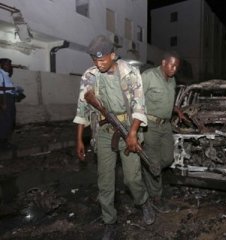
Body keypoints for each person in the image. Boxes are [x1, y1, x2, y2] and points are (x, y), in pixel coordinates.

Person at [73, 35, 155, 240]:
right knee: (105, 181)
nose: (98, 64)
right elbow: (82, 107)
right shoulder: (89, 76)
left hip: (128, 127)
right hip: (103, 131)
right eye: (95, 60)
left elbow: (139, 105)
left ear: (113, 55)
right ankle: (109, 221)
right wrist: (79, 139)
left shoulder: (130, 73)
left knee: (132, 179)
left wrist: (133, 134)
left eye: (102, 60)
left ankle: (143, 202)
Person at [141, 51, 184, 214]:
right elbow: (136, 99)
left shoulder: (172, 80)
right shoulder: (149, 76)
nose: (174, 69)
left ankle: (147, 167)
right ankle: (155, 197)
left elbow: (166, 100)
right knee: (155, 163)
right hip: (149, 125)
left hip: (166, 125)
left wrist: (176, 109)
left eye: (176, 67)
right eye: (171, 65)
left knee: (168, 158)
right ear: (163, 62)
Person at [0, 58, 16, 150]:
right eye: (6, 64)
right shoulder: (0, 74)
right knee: (4, 121)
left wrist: (13, 90)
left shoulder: (6, 75)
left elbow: (10, 73)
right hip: (4, 99)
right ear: (1, 65)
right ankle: (2, 144)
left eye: (9, 64)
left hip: (9, 98)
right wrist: (2, 103)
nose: (8, 66)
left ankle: (5, 141)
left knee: (9, 120)